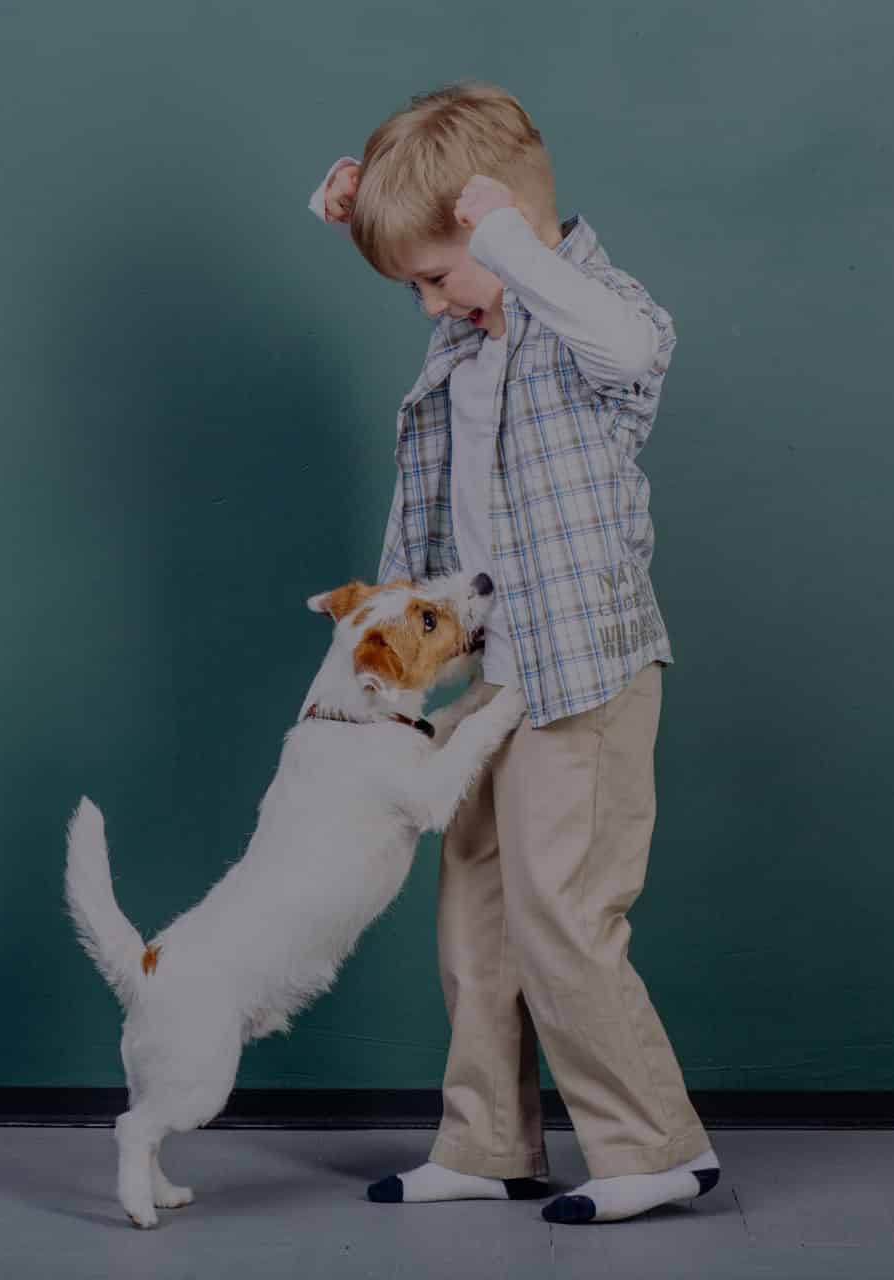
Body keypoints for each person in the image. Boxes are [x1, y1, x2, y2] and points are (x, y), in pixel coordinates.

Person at [307, 81, 720, 1225]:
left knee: (561, 905)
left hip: (583, 671)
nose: (433, 306)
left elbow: (630, 339)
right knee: (476, 909)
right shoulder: (479, 328)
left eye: (439, 280)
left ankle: (651, 1145)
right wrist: (363, 207)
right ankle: (491, 1139)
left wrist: (499, 244)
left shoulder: (596, 319)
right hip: (494, 666)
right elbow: (437, 251)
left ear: (510, 235)